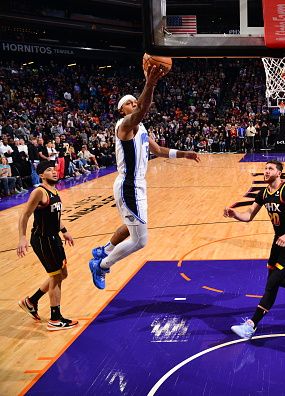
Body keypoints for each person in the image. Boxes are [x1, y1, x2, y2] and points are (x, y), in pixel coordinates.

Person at [88, 65, 200, 290]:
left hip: (137, 185)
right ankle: (102, 264)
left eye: (133, 101)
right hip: (128, 184)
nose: (133, 104)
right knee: (140, 240)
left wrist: (184, 154)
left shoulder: (141, 129)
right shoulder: (125, 126)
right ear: (122, 110)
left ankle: (106, 248)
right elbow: (141, 111)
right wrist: (150, 83)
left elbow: (158, 150)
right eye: (129, 103)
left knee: (131, 224)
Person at [224, 160, 285, 339]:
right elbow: (249, 215)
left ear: (279, 173)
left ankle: (251, 325)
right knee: (276, 279)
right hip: (278, 241)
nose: (266, 171)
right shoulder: (264, 193)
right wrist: (235, 214)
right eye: (265, 169)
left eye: (270, 169)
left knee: (272, 283)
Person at [16, 161, 78, 330]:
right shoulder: (39, 192)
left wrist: (64, 230)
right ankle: (55, 319)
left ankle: (31, 301)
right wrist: (22, 237)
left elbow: (55, 216)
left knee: (62, 273)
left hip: (54, 238)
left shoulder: (54, 190)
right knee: (56, 276)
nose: (54, 171)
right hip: (43, 240)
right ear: (41, 175)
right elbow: (25, 215)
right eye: (49, 170)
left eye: (54, 169)